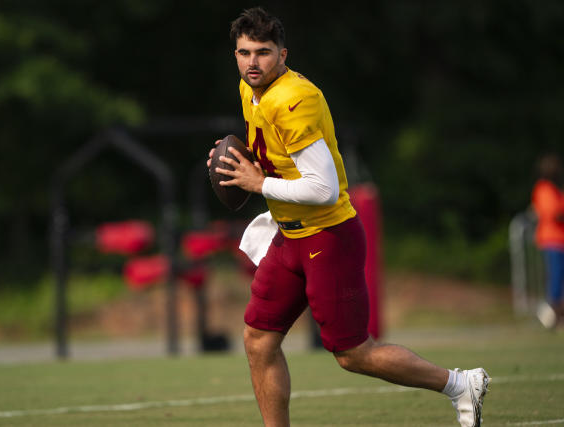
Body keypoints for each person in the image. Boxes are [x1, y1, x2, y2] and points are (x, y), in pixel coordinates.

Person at [207, 7, 489, 427]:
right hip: (290, 237)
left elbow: (322, 189)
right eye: (245, 52)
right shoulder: (251, 89)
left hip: (327, 236)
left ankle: (459, 384)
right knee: (259, 340)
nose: (253, 61)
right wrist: (239, 164)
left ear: (283, 55)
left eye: (263, 52)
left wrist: (257, 183)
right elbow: (278, 159)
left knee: (352, 353)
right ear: (235, 54)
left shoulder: (292, 99)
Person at [531, 154, 564, 328]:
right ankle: (551, 318)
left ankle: (557, 317)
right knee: (556, 280)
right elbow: (554, 213)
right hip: (553, 240)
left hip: (560, 240)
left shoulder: (555, 190)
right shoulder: (544, 188)